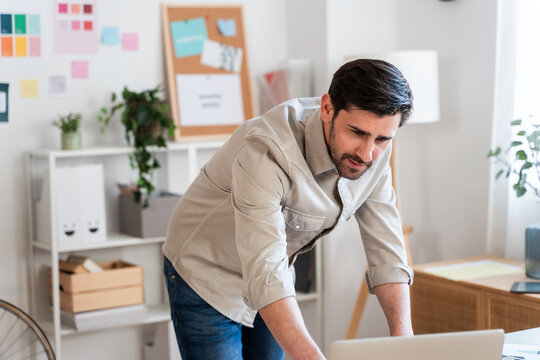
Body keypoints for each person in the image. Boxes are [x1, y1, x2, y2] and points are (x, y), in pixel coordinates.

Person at [162, 58, 415, 360]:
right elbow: (265, 270)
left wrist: (405, 346)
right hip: (206, 273)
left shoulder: (374, 150)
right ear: (327, 108)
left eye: (383, 139)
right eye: (357, 133)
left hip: (272, 275)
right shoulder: (267, 150)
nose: (367, 153)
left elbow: (386, 250)